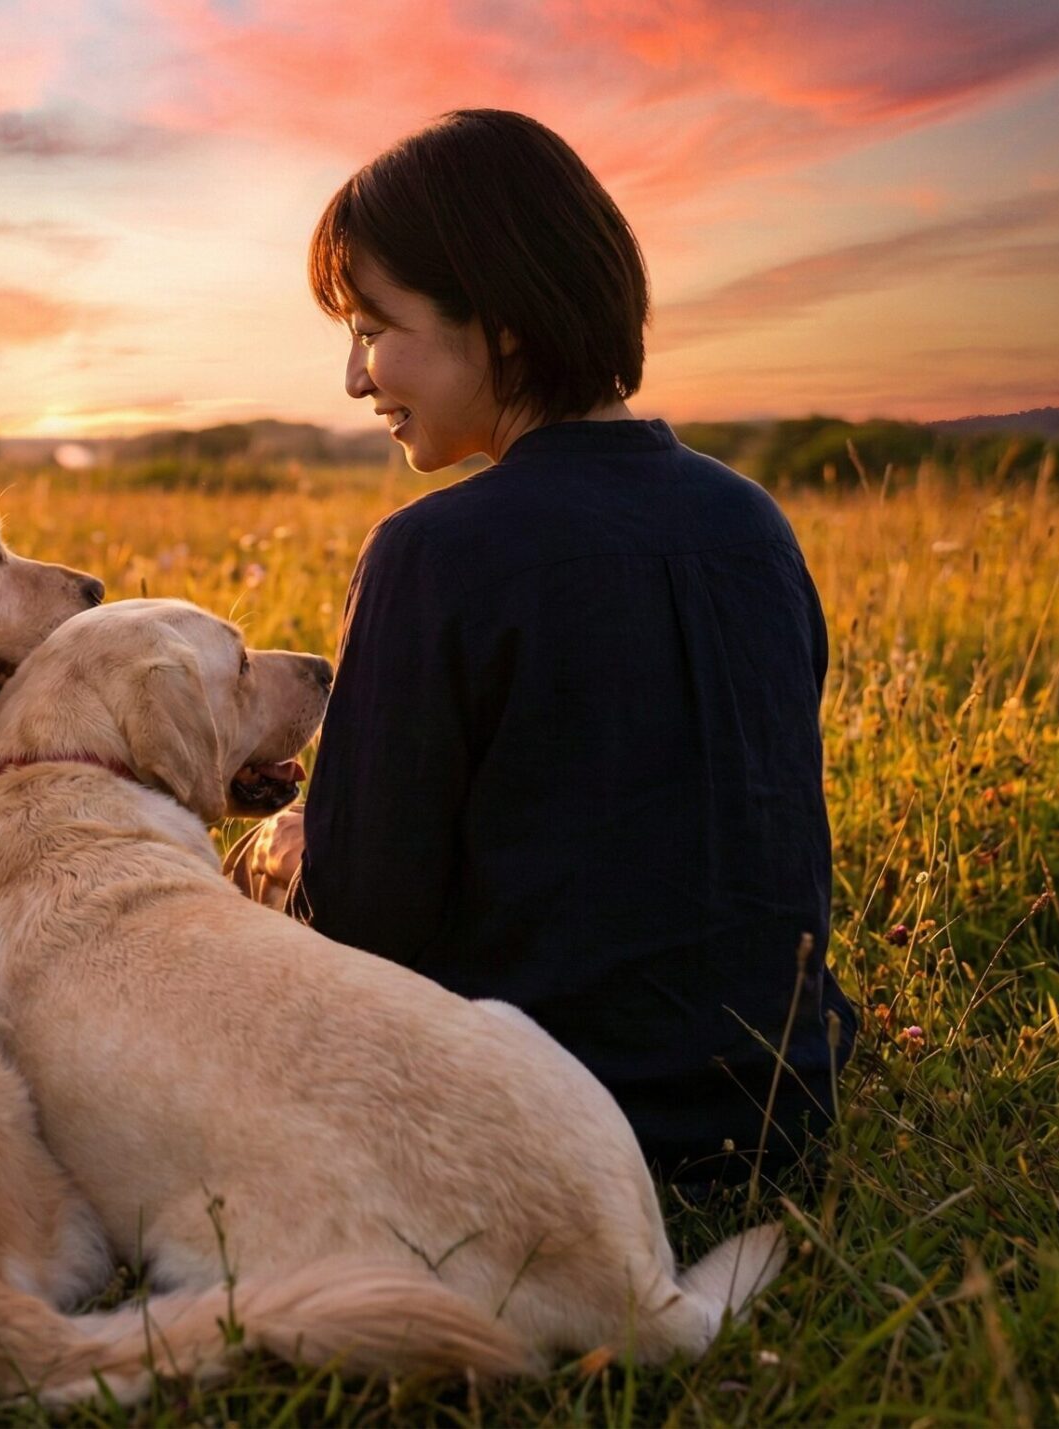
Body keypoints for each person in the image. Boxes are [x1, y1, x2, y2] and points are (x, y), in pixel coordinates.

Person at [233, 109, 854, 1198]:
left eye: (375, 329)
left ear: (505, 324)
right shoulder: (751, 523)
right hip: (775, 1111)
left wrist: (297, 857)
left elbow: (365, 928)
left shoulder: (434, 552)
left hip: (528, 1133)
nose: (354, 378)